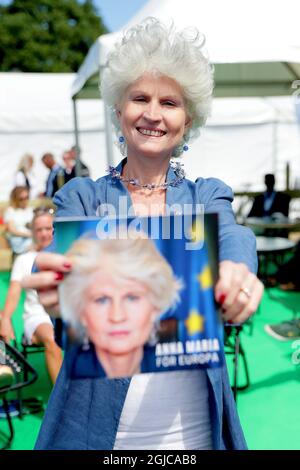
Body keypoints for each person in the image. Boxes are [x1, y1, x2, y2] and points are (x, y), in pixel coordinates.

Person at [22, 19, 263, 450]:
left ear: (187, 119)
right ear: (119, 109)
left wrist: (237, 270)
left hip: (194, 437)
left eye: (169, 101)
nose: (153, 113)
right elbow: (61, 279)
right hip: (93, 433)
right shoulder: (81, 198)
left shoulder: (206, 194)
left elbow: (232, 234)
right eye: (139, 98)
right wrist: (54, 286)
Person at [59, 237, 181, 379]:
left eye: (132, 297)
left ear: (155, 308)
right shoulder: (69, 375)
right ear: (82, 313)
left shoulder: (183, 370)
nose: (117, 316)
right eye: (102, 300)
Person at [0, 209, 63, 383]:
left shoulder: (67, 254)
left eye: (48, 228)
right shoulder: (24, 259)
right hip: (37, 317)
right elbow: (13, 292)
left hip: (65, 313)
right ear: (33, 233)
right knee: (52, 336)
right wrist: (5, 319)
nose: (44, 233)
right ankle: (60, 404)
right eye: (39, 229)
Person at [4, 186, 33, 255]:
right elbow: (12, 230)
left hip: (32, 237)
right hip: (19, 239)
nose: (24, 200)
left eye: (26, 197)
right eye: (21, 199)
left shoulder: (31, 210)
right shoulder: (11, 211)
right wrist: (28, 235)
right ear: (15, 199)